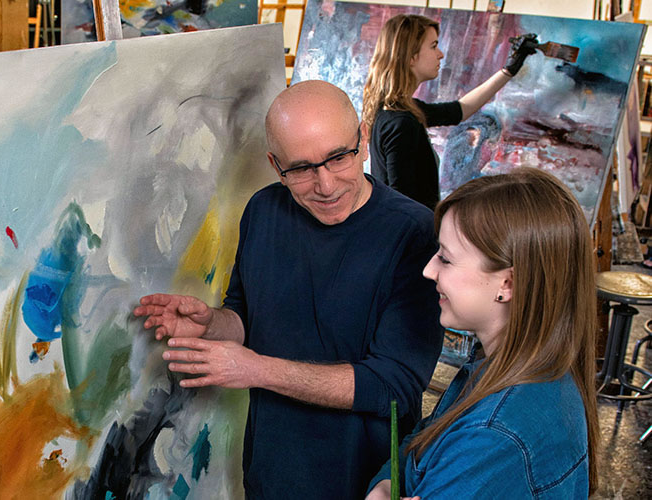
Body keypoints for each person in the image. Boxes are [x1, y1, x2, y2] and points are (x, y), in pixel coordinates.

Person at [134, 80, 444, 499]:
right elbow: (244, 316)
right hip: (269, 471)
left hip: (364, 484)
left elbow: (394, 387)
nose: (326, 185)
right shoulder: (263, 210)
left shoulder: (415, 234)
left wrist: (256, 369)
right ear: (275, 164)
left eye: (339, 158)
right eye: (300, 169)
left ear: (364, 140)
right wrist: (211, 325)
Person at [366, 168, 600, 498]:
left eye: (445, 259)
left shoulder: (494, 436)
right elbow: (420, 443)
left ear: (508, 283)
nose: (428, 269)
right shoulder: (511, 368)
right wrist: (386, 484)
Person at [361, 14, 536, 209]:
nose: (440, 54)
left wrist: (508, 70)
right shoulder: (401, 121)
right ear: (411, 56)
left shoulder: (397, 109)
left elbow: (459, 110)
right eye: (433, 45)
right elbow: (401, 203)